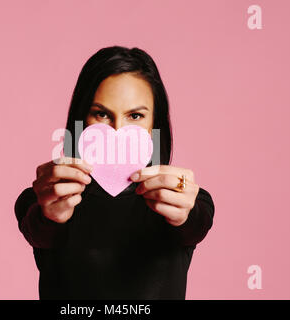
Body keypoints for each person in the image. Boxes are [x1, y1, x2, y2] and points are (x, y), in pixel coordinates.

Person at [14, 46, 215, 299]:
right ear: (82, 119)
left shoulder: (179, 200)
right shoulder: (47, 198)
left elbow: (196, 224)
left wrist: (187, 211)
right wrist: (49, 213)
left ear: (155, 124)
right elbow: (38, 229)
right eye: (101, 114)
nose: (118, 131)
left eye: (135, 115)